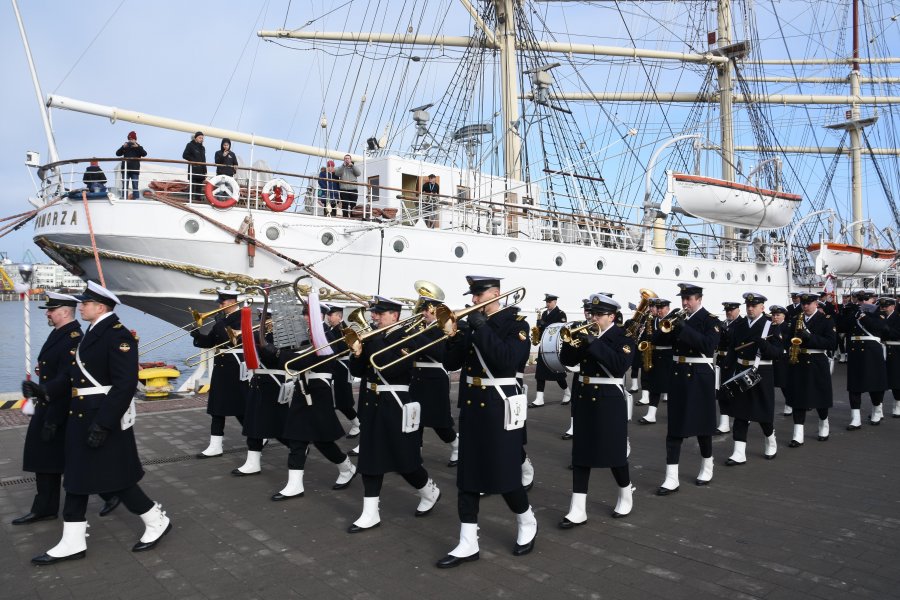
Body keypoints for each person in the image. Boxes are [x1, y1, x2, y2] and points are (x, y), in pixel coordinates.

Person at [29, 281, 171, 565]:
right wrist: (47, 391)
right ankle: (73, 540)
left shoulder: (118, 336)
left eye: (85, 303)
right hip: (82, 415)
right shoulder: (94, 332)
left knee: (116, 479)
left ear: (100, 307)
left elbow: (124, 385)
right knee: (79, 478)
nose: (80, 306)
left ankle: (155, 520)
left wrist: (103, 423)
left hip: (101, 416)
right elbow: (73, 374)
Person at [437, 276, 536, 568]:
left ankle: (527, 521)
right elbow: (451, 363)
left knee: (504, 473)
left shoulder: (516, 323)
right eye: (474, 296)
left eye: (479, 295)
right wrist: (454, 335)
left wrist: (480, 328)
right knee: (468, 477)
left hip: (498, 405)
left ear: (495, 294)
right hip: (472, 407)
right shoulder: (471, 323)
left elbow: (507, 360)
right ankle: (468, 542)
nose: (474, 301)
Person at [16, 293, 119, 525]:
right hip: (48, 403)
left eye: (51, 310)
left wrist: (53, 419)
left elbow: (69, 381)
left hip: (59, 408)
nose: (47, 313)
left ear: (63, 311)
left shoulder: (73, 338)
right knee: (52, 460)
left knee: (63, 460)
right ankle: (46, 507)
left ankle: (113, 492)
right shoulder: (60, 334)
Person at [346, 296, 440, 533]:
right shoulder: (373, 337)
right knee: (370, 457)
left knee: (404, 459)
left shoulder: (408, 336)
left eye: (380, 313)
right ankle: (370, 513)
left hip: (395, 402)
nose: (374, 317)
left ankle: (429, 490)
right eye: (375, 313)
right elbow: (358, 371)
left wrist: (369, 347)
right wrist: (356, 354)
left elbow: (391, 366)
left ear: (394, 316)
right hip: (372, 402)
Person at [558, 293, 636, 528]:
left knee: (614, 451)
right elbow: (566, 359)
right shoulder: (586, 333)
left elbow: (619, 366)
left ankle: (625, 492)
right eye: (592, 313)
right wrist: (573, 342)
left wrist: (594, 343)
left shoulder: (624, 337)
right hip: (584, 396)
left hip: (609, 398)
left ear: (612, 316)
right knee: (581, 452)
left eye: (599, 314)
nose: (593, 318)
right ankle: (578, 508)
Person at [265, 306, 356, 500]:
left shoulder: (327, 334)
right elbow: (287, 361)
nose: (305, 318)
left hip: (319, 390)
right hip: (302, 387)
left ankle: (346, 466)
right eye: (304, 314)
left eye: (309, 314)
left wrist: (281, 355)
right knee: (297, 438)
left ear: (320, 316)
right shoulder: (302, 334)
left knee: (323, 441)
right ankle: (295, 485)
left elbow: (306, 360)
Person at [656, 283, 720, 496]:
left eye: (689, 299)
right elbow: (661, 340)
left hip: (700, 375)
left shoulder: (710, 320)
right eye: (683, 299)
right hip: (678, 374)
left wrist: (683, 328)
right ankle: (671, 477)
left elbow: (708, 346)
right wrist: (663, 323)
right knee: (675, 426)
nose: (685, 303)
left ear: (699, 299)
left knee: (703, 426)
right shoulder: (677, 316)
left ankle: (707, 466)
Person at [722, 293, 783, 465]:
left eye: (754, 306)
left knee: (762, 413)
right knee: (740, 412)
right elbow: (733, 350)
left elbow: (778, 353)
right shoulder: (740, 325)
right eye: (748, 305)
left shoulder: (770, 325)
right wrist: (726, 370)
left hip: (762, 371)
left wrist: (764, 345)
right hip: (742, 370)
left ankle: (770, 439)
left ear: (762, 308)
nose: (750, 308)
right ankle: (739, 452)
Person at [190, 289, 249, 458]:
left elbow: (234, 340)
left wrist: (220, 323)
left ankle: (258, 435)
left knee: (241, 407)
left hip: (235, 365)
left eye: (222, 303)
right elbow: (211, 342)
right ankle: (215, 446)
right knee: (217, 407)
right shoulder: (222, 320)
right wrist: (197, 336)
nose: (219, 306)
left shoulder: (242, 317)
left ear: (232, 302)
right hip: (221, 366)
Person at [231, 309, 287, 477]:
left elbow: (273, 358)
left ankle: (296, 446)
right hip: (257, 382)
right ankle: (253, 462)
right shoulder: (259, 334)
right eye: (264, 318)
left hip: (274, 382)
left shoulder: (284, 336)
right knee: (253, 424)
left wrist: (257, 340)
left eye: (269, 318)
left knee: (277, 424)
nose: (266, 322)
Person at [409, 296, 459, 467]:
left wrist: (418, 336)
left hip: (435, 377)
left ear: (435, 310)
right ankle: (414, 455)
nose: (423, 313)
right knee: (415, 418)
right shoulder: (422, 327)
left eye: (426, 309)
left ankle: (457, 446)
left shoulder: (443, 327)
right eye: (422, 309)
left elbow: (440, 353)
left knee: (439, 422)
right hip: (417, 376)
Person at [786, 293, 837, 446]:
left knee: (820, 397)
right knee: (798, 398)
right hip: (798, 361)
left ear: (816, 304)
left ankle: (823, 424)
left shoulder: (826, 320)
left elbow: (831, 343)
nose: (805, 306)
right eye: (803, 304)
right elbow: (788, 338)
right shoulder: (796, 319)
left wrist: (809, 336)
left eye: (808, 303)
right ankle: (798, 434)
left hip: (817, 361)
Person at [845, 289, 888, 429]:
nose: (862, 302)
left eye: (866, 300)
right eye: (860, 299)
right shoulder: (852, 311)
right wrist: (851, 314)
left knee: (874, 383)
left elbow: (879, 327)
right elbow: (842, 326)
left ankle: (876, 410)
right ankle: (855, 418)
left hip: (871, 350)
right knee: (854, 386)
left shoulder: (879, 312)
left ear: (872, 300)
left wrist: (863, 316)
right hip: (854, 350)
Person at [323, 304, 360, 436]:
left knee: (343, 401)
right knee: (326, 398)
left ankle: (357, 423)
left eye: (330, 315)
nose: (328, 317)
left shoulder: (344, 329)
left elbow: (341, 349)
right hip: (333, 365)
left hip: (342, 366)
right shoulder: (333, 328)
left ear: (339, 316)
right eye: (327, 315)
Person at [638, 298, 675, 425]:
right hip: (654, 355)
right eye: (657, 308)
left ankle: (674, 413)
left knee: (671, 386)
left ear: (668, 308)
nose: (659, 310)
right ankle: (651, 414)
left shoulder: (672, 321)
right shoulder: (652, 320)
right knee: (654, 386)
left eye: (661, 308)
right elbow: (646, 338)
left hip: (668, 356)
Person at [530, 293, 571, 407]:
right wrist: (539, 326)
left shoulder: (560, 314)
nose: (547, 304)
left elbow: (561, 328)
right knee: (540, 373)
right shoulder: (543, 313)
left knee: (558, 374)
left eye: (549, 302)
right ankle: (539, 398)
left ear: (555, 302)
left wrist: (545, 324)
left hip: (554, 346)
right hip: (544, 345)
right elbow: (541, 328)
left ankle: (567, 392)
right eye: (546, 302)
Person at [716, 301, 743, 432]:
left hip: (734, 360)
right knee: (722, 391)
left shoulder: (742, 324)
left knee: (737, 392)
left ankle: (744, 417)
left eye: (731, 310)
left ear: (738, 310)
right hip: (721, 360)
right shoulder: (722, 324)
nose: (729, 313)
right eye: (727, 310)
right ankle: (724, 423)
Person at [768, 305, 792, 416]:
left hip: (783, 359)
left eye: (778, 315)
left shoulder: (787, 327)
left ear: (784, 316)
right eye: (773, 315)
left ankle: (789, 403)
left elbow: (788, 343)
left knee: (784, 384)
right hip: (770, 358)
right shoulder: (769, 327)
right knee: (769, 383)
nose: (775, 317)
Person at [881, 297, 900, 418]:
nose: (883, 309)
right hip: (880, 348)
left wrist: (885, 329)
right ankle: (878, 407)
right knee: (879, 379)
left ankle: (897, 404)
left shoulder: (898, 318)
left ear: (893, 306)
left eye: (886, 306)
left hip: (895, 349)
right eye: (882, 306)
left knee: (895, 379)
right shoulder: (878, 316)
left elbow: (897, 333)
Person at [115, 131, 147, 199]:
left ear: (135, 139)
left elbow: (144, 154)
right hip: (125, 170)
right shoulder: (125, 147)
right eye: (129, 139)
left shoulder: (139, 147)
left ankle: (136, 199)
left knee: (135, 186)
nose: (130, 141)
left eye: (132, 139)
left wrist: (137, 147)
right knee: (125, 186)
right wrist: (123, 147)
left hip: (134, 170)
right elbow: (117, 154)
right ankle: (124, 198)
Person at [182, 131, 207, 201]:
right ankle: (190, 200)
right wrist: (194, 161)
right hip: (193, 169)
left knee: (199, 187)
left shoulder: (202, 148)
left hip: (201, 170)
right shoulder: (190, 145)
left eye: (202, 138)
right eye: (200, 138)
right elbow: (185, 155)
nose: (201, 139)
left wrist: (205, 171)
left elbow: (204, 160)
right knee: (192, 186)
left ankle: (198, 200)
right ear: (195, 138)